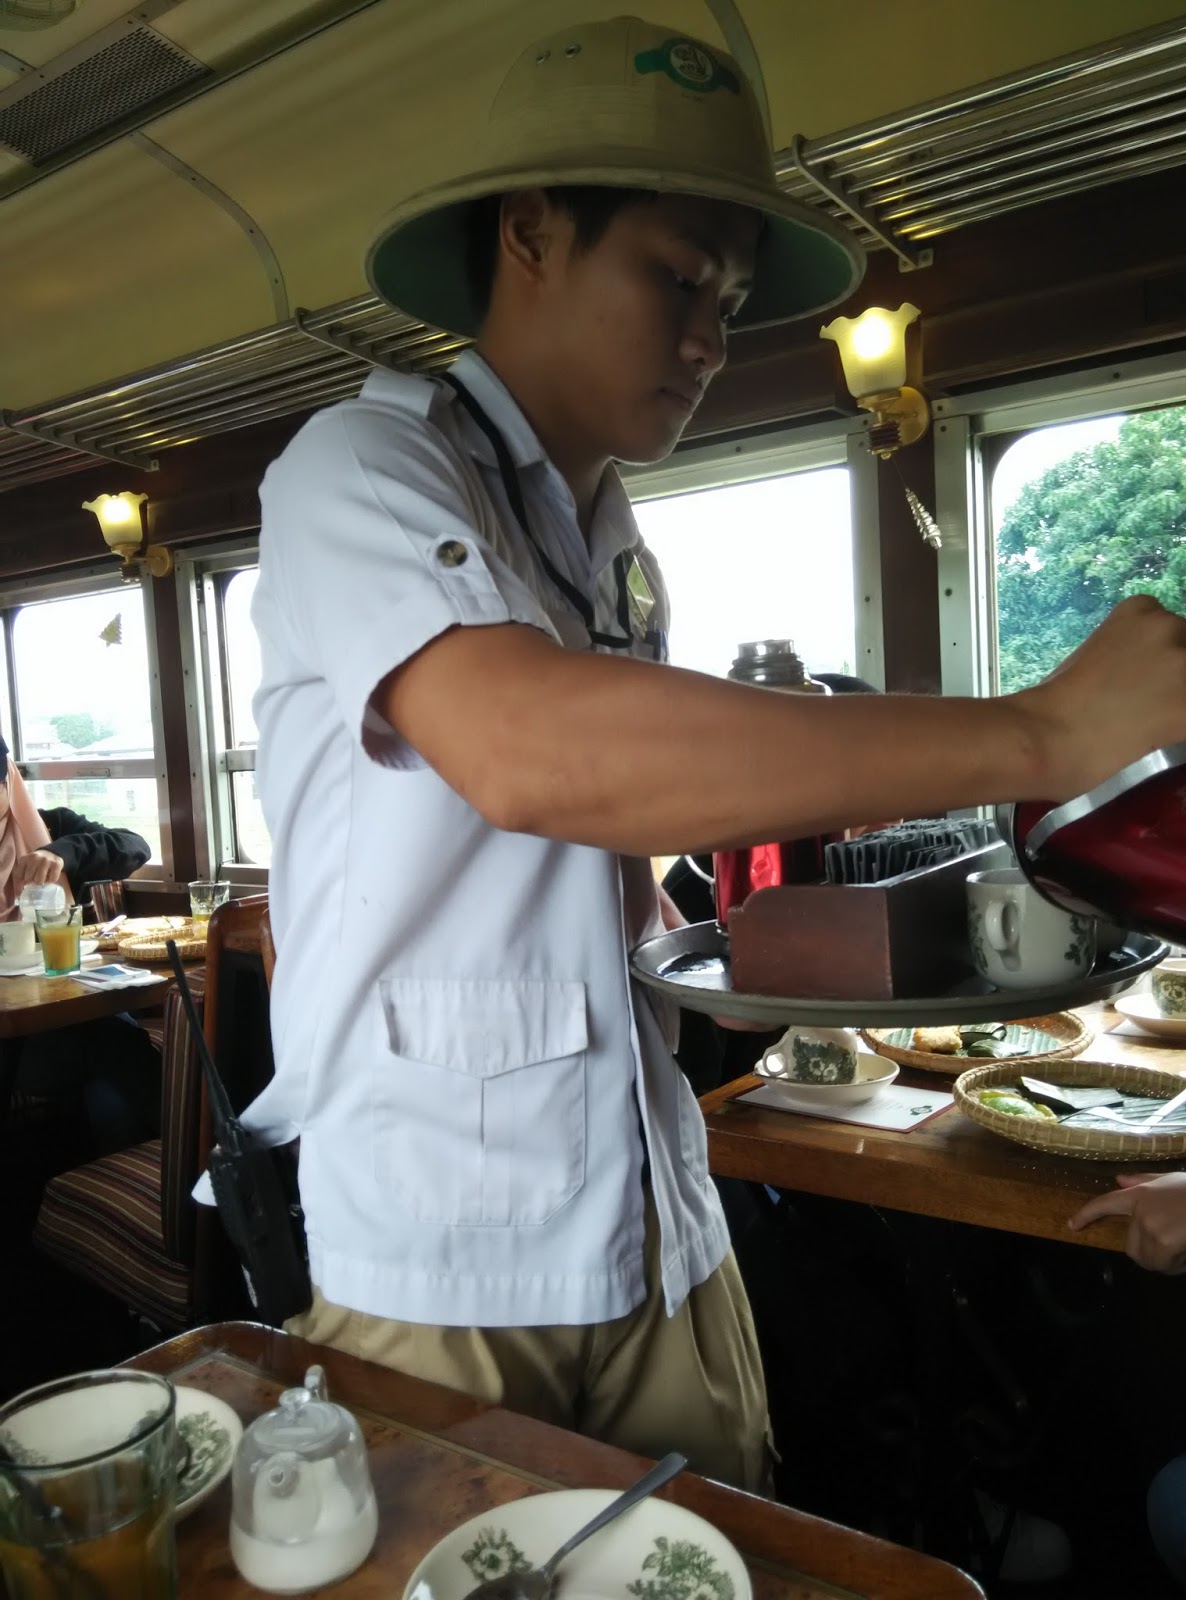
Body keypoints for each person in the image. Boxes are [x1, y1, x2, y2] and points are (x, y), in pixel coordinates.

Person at [223, 14, 1186, 1493]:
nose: (709, 339)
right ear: (529, 235)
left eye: (728, 303)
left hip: (647, 1195)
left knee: (731, 1555)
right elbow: (528, 752)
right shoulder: (362, 466)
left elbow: (597, 836)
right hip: (438, 1246)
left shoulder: (611, 546)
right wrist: (1040, 731)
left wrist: (736, 938)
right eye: (678, 277)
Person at [0, 745, 157, 1157]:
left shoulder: (48, 828)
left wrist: (60, 854)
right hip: (18, 1041)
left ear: (9, 784)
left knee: (110, 1068)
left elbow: (136, 846)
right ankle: (195, 1158)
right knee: (113, 1044)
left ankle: (144, 1172)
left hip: (76, 1008)